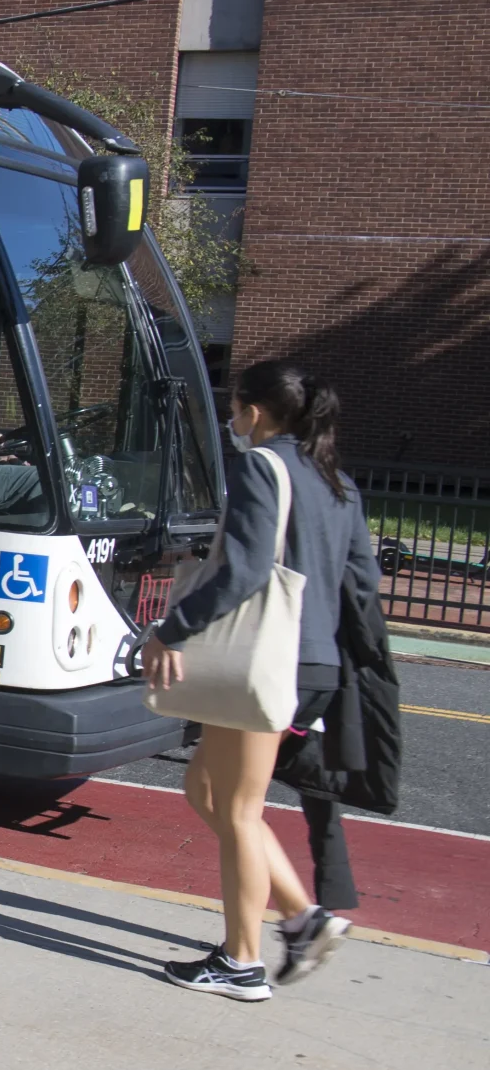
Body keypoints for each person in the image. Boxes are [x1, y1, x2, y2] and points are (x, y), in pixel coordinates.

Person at [142, 361, 378, 1000]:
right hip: (316, 661)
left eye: (235, 406)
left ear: (254, 412)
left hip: (271, 659)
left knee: (239, 809)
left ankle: (242, 961)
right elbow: (363, 581)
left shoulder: (260, 467)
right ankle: (303, 918)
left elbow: (244, 569)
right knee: (207, 789)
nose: (231, 419)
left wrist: (172, 630)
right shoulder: (338, 483)